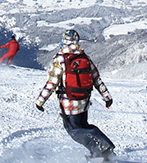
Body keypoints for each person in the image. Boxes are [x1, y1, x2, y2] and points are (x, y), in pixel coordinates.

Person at [35, 29, 115, 161]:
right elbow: (97, 79)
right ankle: (105, 147)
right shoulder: (85, 57)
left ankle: (99, 150)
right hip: (84, 101)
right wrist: (107, 97)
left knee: (74, 130)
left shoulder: (61, 59)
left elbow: (52, 83)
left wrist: (40, 101)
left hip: (70, 103)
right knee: (84, 126)